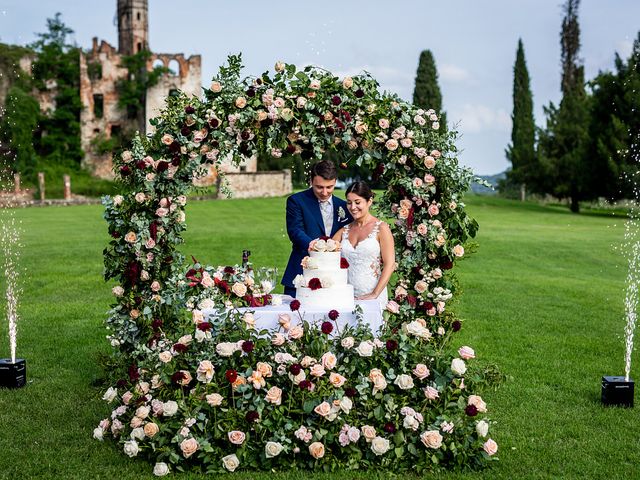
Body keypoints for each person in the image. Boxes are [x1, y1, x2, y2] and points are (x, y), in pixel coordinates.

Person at [282, 160, 352, 297]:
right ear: (311, 181)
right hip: (302, 272)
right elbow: (295, 231)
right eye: (319, 187)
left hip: (334, 279)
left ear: (335, 181)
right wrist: (312, 244)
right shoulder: (296, 201)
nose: (325, 192)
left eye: (330, 187)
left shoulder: (344, 206)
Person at [331, 181, 395, 307]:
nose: (353, 207)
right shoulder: (343, 231)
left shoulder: (381, 228)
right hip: (345, 296)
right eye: (349, 203)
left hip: (372, 294)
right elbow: (326, 257)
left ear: (369, 201)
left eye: (357, 202)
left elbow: (390, 265)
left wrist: (375, 294)